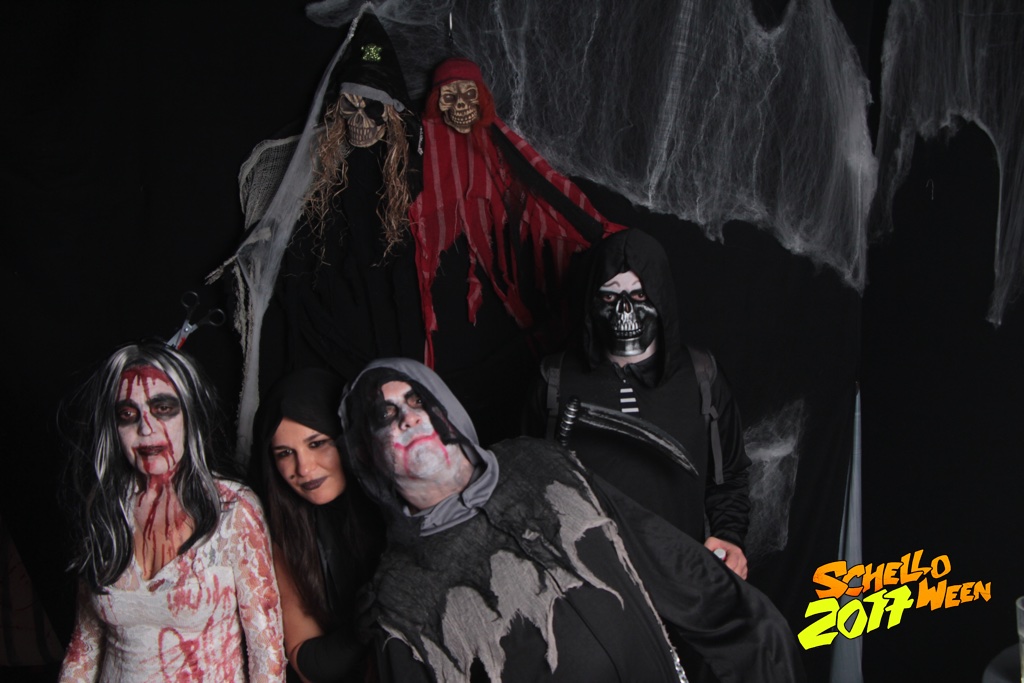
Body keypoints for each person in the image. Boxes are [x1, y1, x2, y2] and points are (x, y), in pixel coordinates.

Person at [341, 358, 804, 683]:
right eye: (385, 415)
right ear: (365, 453)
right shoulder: (399, 598)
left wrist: (760, 642)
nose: (409, 418)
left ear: (445, 408)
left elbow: (671, 563)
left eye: (418, 400)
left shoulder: (542, 465)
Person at [59, 342, 285, 682]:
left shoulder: (233, 509)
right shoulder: (106, 508)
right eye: (128, 415)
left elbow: (267, 654)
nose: (146, 428)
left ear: (190, 413)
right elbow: (84, 647)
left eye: (162, 408)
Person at [533, 229, 752, 578]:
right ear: (592, 301)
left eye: (639, 294)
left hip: (681, 578)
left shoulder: (701, 376)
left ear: (661, 297)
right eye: (610, 296)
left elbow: (728, 478)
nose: (625, 310)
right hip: (590, 583)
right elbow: (528, 483)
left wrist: (729, 537)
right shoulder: (554, 380)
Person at [252, 368, 385, 683]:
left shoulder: (399, 506)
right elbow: (306, 662)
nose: (304, 468)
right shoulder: (283, 532)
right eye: (285, 453)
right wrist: (356, 634)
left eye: (317, 443)